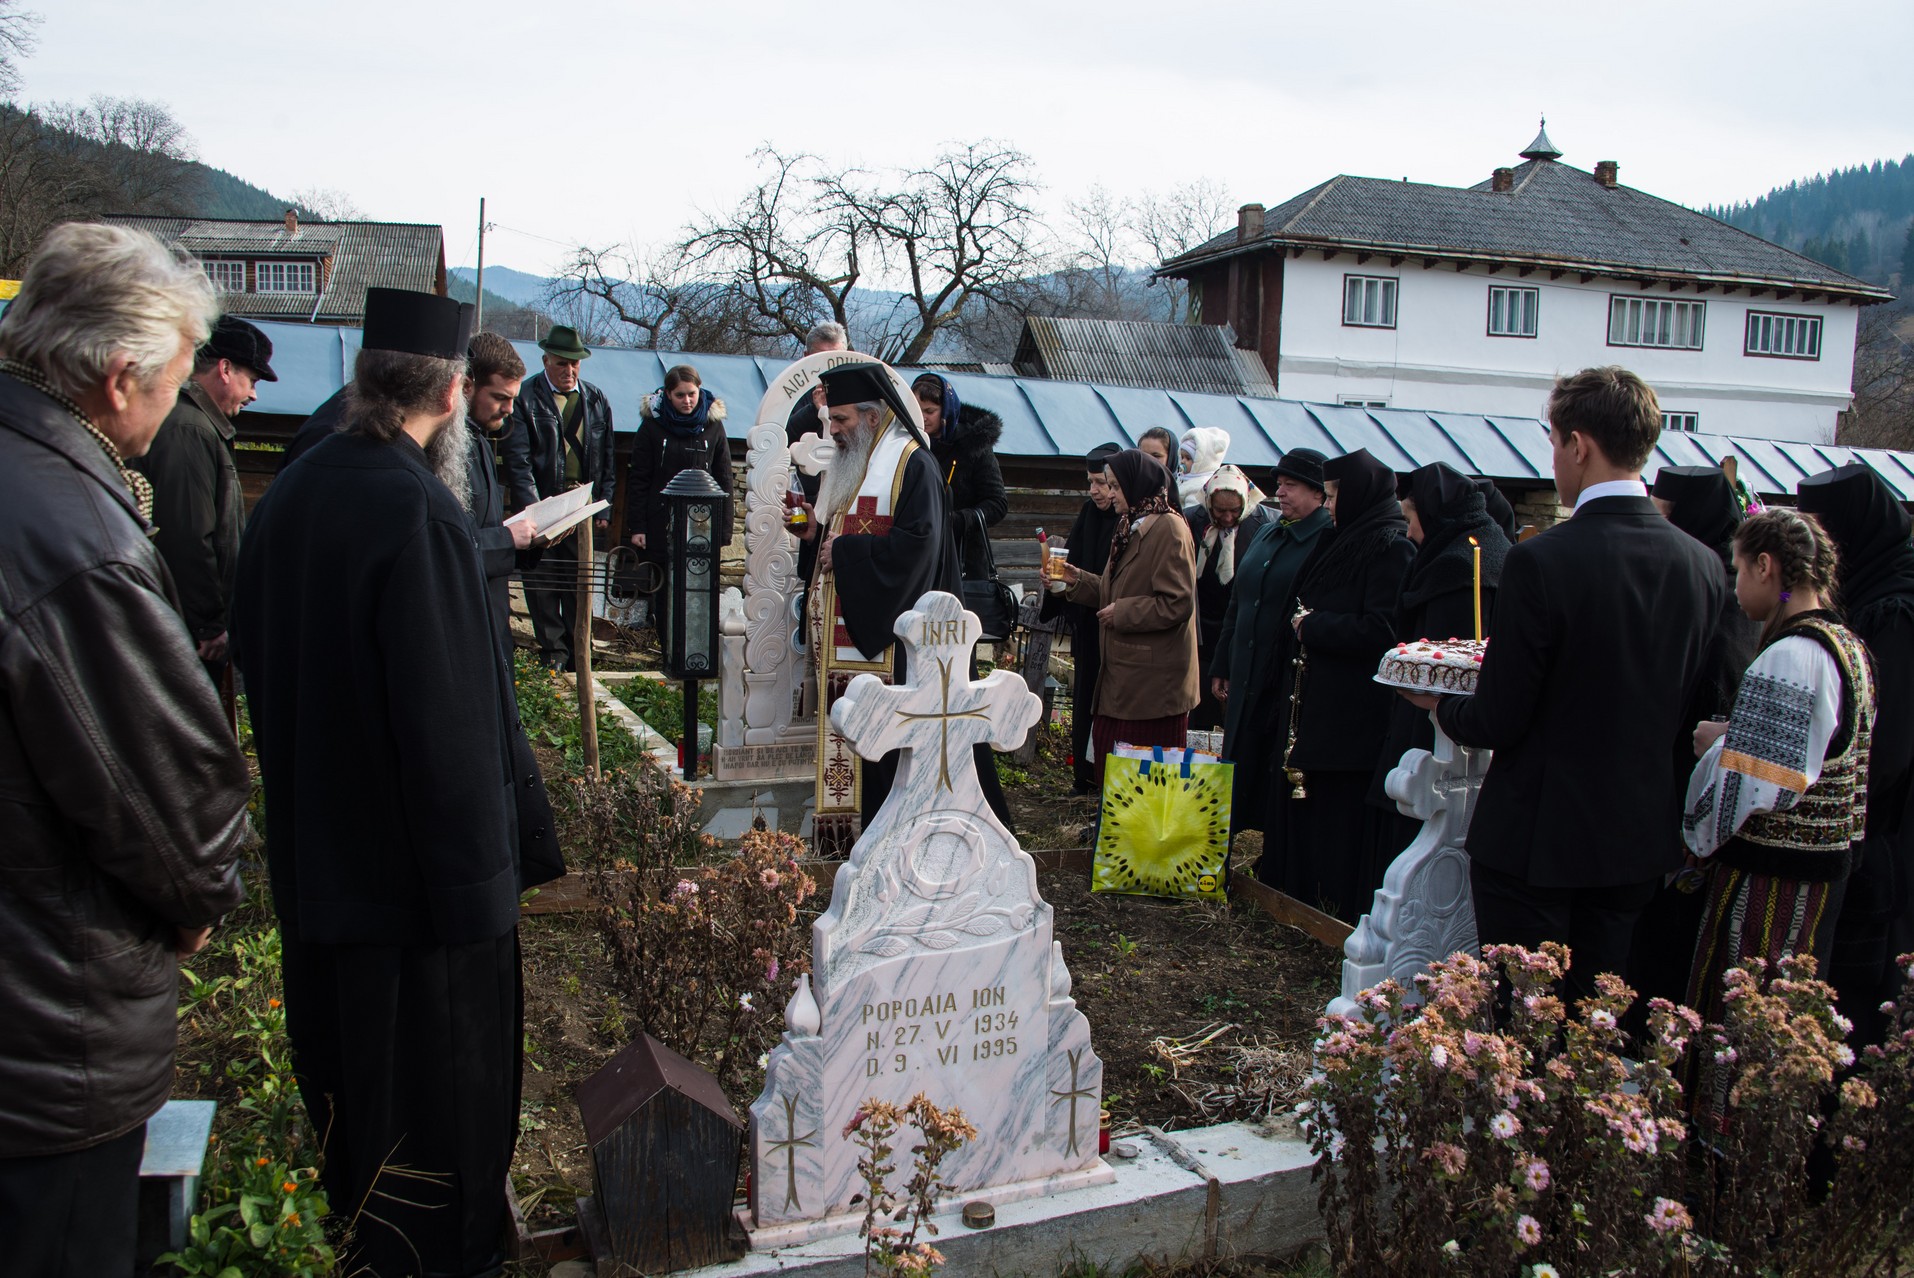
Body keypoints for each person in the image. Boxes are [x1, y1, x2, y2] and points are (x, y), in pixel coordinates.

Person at [231, 287, 562, 1278]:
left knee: (349, 1107)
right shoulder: (417, 510)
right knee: (433, 1132)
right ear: (453, 393)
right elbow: (449, 728)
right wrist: (486, 897)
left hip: (320, 867)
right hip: (421, 906)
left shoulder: (293, 488)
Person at [0, 222, 249, 1278]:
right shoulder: (76, 537)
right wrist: (198, 898)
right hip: (45, 1026)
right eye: (177, 379)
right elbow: (165, 791)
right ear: (117, 378)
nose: (177, 400)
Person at [1411, 366, 1723, 1007]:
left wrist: (1442, 706)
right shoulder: (1702, 563)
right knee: (1595, 1025)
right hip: (1636, 838)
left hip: (1539, 838)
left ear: (1579, 445)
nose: (1552, 458)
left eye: (1553, 442)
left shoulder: (1543, 560)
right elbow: (1692, 707)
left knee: (1526, 1023)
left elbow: (1500, 717)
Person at [1681, 509, 1873, 1125]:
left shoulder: (1793, 656)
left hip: (1773, 880)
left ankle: (1727, 1150)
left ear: (1766, 567)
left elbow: (1758, 783)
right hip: (1816, 876)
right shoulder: (1849, 647)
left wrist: (1715, 753)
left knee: (1744, 1017)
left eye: (1739, 570)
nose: (1736, 588)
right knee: (1776, 1015)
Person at [790, 360, 1010, 852]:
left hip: (900, 646)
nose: (833, 429)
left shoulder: (912, 464)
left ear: (872, 417)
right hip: (865, 633)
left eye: (841, 419)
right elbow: (844, 536)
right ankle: (863, 846)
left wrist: (845, 553)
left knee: (900, 750)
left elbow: (918, 548)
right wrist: (815, 534)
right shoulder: (860, 460)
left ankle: (905, 846)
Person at [1626, 463, 1759, 1020]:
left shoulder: (1726, 591)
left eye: (1664, 513)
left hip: (1693, 778)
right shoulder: (1695, 573)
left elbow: (1719, 683)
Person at [1799, 463, 1914, 1046]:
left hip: (1887, 832)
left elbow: (1887, 750)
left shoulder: (1894, 609)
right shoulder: (1868, 593)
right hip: (1867, 825)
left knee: (1869, 992)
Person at [1275, 448, 1414, 922]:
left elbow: (1384, 630)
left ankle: (1333, 907)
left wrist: (1314, 627)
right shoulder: (1340, 539)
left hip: (1353, 711)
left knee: (1340, 814)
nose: (1330, 505)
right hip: (1317, 700)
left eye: (1334, 496)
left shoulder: (1390, 547)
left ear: (1360, 496)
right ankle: (1304, 896)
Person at [1362, 462, 1509, 899]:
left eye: (1411, 519)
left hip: (1437, 722)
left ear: (1434, 515)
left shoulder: (1459, 570)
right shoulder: (1476, 549)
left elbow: (1447, 663)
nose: (1408, 532)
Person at [131, 314, 276, 691]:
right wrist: (206, 624)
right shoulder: (189, 429)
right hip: (185, 633)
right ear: (225, 369)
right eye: (252, 380)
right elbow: (186, 535)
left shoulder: (196, 424)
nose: (254, 395)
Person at [1213, 448, 1333, 857]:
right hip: (1245, 670)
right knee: (1238, 753)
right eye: (1278, 484)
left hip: (1284, 675)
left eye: (1290, 485)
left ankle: (1274, 854)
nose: (1279, 492)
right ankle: (1221, 842)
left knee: (1271, 759)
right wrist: (1223, 661)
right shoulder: (1268, 531)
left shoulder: (1324, 539)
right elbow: (1238, 600)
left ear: (1318, 493)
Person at [1061, 448, 1199, 784]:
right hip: (1125, 678)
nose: (1110, 494)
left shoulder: (1169, 529)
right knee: (1115, 770)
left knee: (1144, 780)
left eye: (1115, 487)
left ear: (1138, 485)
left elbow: (1178, 602)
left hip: (1153, 687)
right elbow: (1116, 589)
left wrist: (1124, 612)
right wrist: (1076, 580)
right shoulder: (1130, 526)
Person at [501, 324, 615, 670]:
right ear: (546, 361)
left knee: (580, 581)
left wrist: (604, 502)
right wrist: (535, 511)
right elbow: (518, 460)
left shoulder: (595, 399)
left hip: (581, 504)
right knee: (543, 582)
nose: (569, 370)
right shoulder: (526, 397)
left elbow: (607, 455)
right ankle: (554, 653)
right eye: (562, 363)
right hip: (542, 502)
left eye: (574, 363)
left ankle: (580, 654)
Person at [625, 364, 732, 660]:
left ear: (700, 391)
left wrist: (723, 530)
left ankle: (695, 652)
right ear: (668, 395)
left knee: (698, 587)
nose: (687, 401)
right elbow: (639, 478)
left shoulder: (713, 426)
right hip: (662, 521)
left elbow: (724, 479)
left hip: (701, 525)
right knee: (665, 588)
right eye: (680, 395)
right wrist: (638, 526)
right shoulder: (652, 426)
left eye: (692, 394)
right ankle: (669, 652)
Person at [1043, 442, 1123, 794]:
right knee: (1084, 698)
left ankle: (1108, 775)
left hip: (1116, 624)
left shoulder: (1126, 519)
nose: (1094, 490)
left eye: (1101, 483)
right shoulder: (1089, 513)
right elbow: (1070, 562)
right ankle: (1084, 775)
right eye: (1090, 482)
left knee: (1111, 703)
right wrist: (1055, 583)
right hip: (1087, 625)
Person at [464, 332, 542, 662]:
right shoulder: (444, 448)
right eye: (499, 397)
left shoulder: (481, 440)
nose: (509, 409)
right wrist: (507, 538)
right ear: (467, 387)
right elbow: (447, 548)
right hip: (466, 620)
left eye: (513, 398)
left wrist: (533, 540)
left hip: (491, 615)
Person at [1184, 464, 1272, 731]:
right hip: (1201, 629)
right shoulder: (1190, 520)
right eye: (1220, 510)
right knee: (1201, 712)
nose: (1227, 517)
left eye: (1235, 510)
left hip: (1242, 628)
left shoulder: (1267, 524)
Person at [912, 372, 1007, 580]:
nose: (923, 417)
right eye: (917, 410)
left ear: (945, 410)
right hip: (917, 555)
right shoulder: (905, 445)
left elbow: (997, 503)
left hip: (963, 558)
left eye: (930, 411)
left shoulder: (974, 445)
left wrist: (959, 521)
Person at [1176, 426, 1230, 508]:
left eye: (1188, 458)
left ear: (1202, 462)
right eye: (1182, 457)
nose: (1183, 461)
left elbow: (1191, 511)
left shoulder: (1199, 486)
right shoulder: (1183, 478)